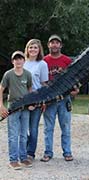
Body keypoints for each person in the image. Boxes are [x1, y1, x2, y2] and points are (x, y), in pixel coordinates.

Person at [41, 34, 79, 162]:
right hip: (50, 100)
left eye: (57, 43)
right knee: (48, 128)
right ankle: (48, 152)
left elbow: (75, 76)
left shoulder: (67, 61)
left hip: (64, 99)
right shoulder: (44, 61)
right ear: (48, 45)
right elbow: (41, 80)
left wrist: (75, 89)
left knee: (66, 127)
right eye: (52, 42)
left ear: (61, 45)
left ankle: (67, 152)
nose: (55, 45)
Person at [0, 51, 33, 169]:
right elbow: (1, 89)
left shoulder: (28, 74)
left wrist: (31, 103)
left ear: (24, 61)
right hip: (13, 107)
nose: (18, 61)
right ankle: (13, 160)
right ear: (12, 61)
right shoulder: (8, 74)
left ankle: (23, 158)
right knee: (13, 135)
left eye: (20, 59)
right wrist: (1, 106)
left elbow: (30, 90)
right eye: (16, 59)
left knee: (24, 134)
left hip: (25, 108)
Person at [23, 39, 49, 161]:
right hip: (22, 100)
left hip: (36, 100)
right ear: (27, 49)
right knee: (22, 128)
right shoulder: (22, 62)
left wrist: (44, 101)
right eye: (30, 47)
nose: (33, 50)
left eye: (35, 47)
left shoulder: (42, 64)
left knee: (33, 127)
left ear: (39, 50)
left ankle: (30, 153)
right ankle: (23, 149)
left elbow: (44, 84)